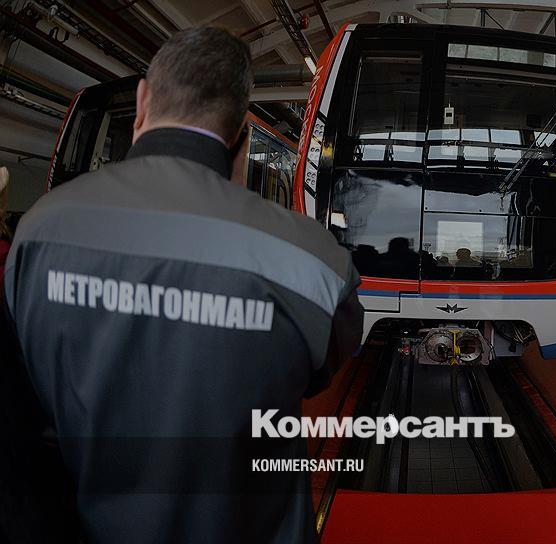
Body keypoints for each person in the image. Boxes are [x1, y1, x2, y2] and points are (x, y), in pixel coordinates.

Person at [2, 27, 362, 543]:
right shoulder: (313, 262)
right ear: (241, 134)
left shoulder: (37, 232)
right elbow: (322, 367)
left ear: (142, 101)